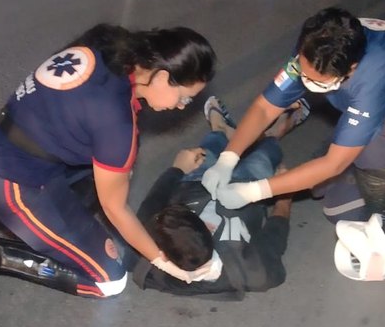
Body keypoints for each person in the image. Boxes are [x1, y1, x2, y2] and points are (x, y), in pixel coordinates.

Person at [0, 24, 217, 300]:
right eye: (184, 97)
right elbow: (115, 209)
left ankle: (50, 231)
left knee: (112, 178)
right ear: (163, 76)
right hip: (11, 183)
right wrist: (161, 260)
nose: (182, 106)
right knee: (109, 280)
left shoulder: (108, 43)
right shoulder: (116, 124)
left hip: (4, 142)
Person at [203, 7, 385, 246]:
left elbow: (333, 164)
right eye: (303, 73)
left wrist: (253, 191)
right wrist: (227, 158)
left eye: (319, 82)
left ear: (352, 68)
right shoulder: (316, 45)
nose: (307, 83)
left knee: (372, 141)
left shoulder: (375, 72)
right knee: (332, 200)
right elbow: (264, 108)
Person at [131, 97, 308, 297]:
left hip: (196, 183)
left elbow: (153, 200)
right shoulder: (254, 272)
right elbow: (275, 236)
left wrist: (177, 169)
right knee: (265, 154)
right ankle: (274, 133)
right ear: (209, 228)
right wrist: (284, 197)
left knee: (208, 151)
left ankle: (220, 129)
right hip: (247, 189)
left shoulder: (140, 257)